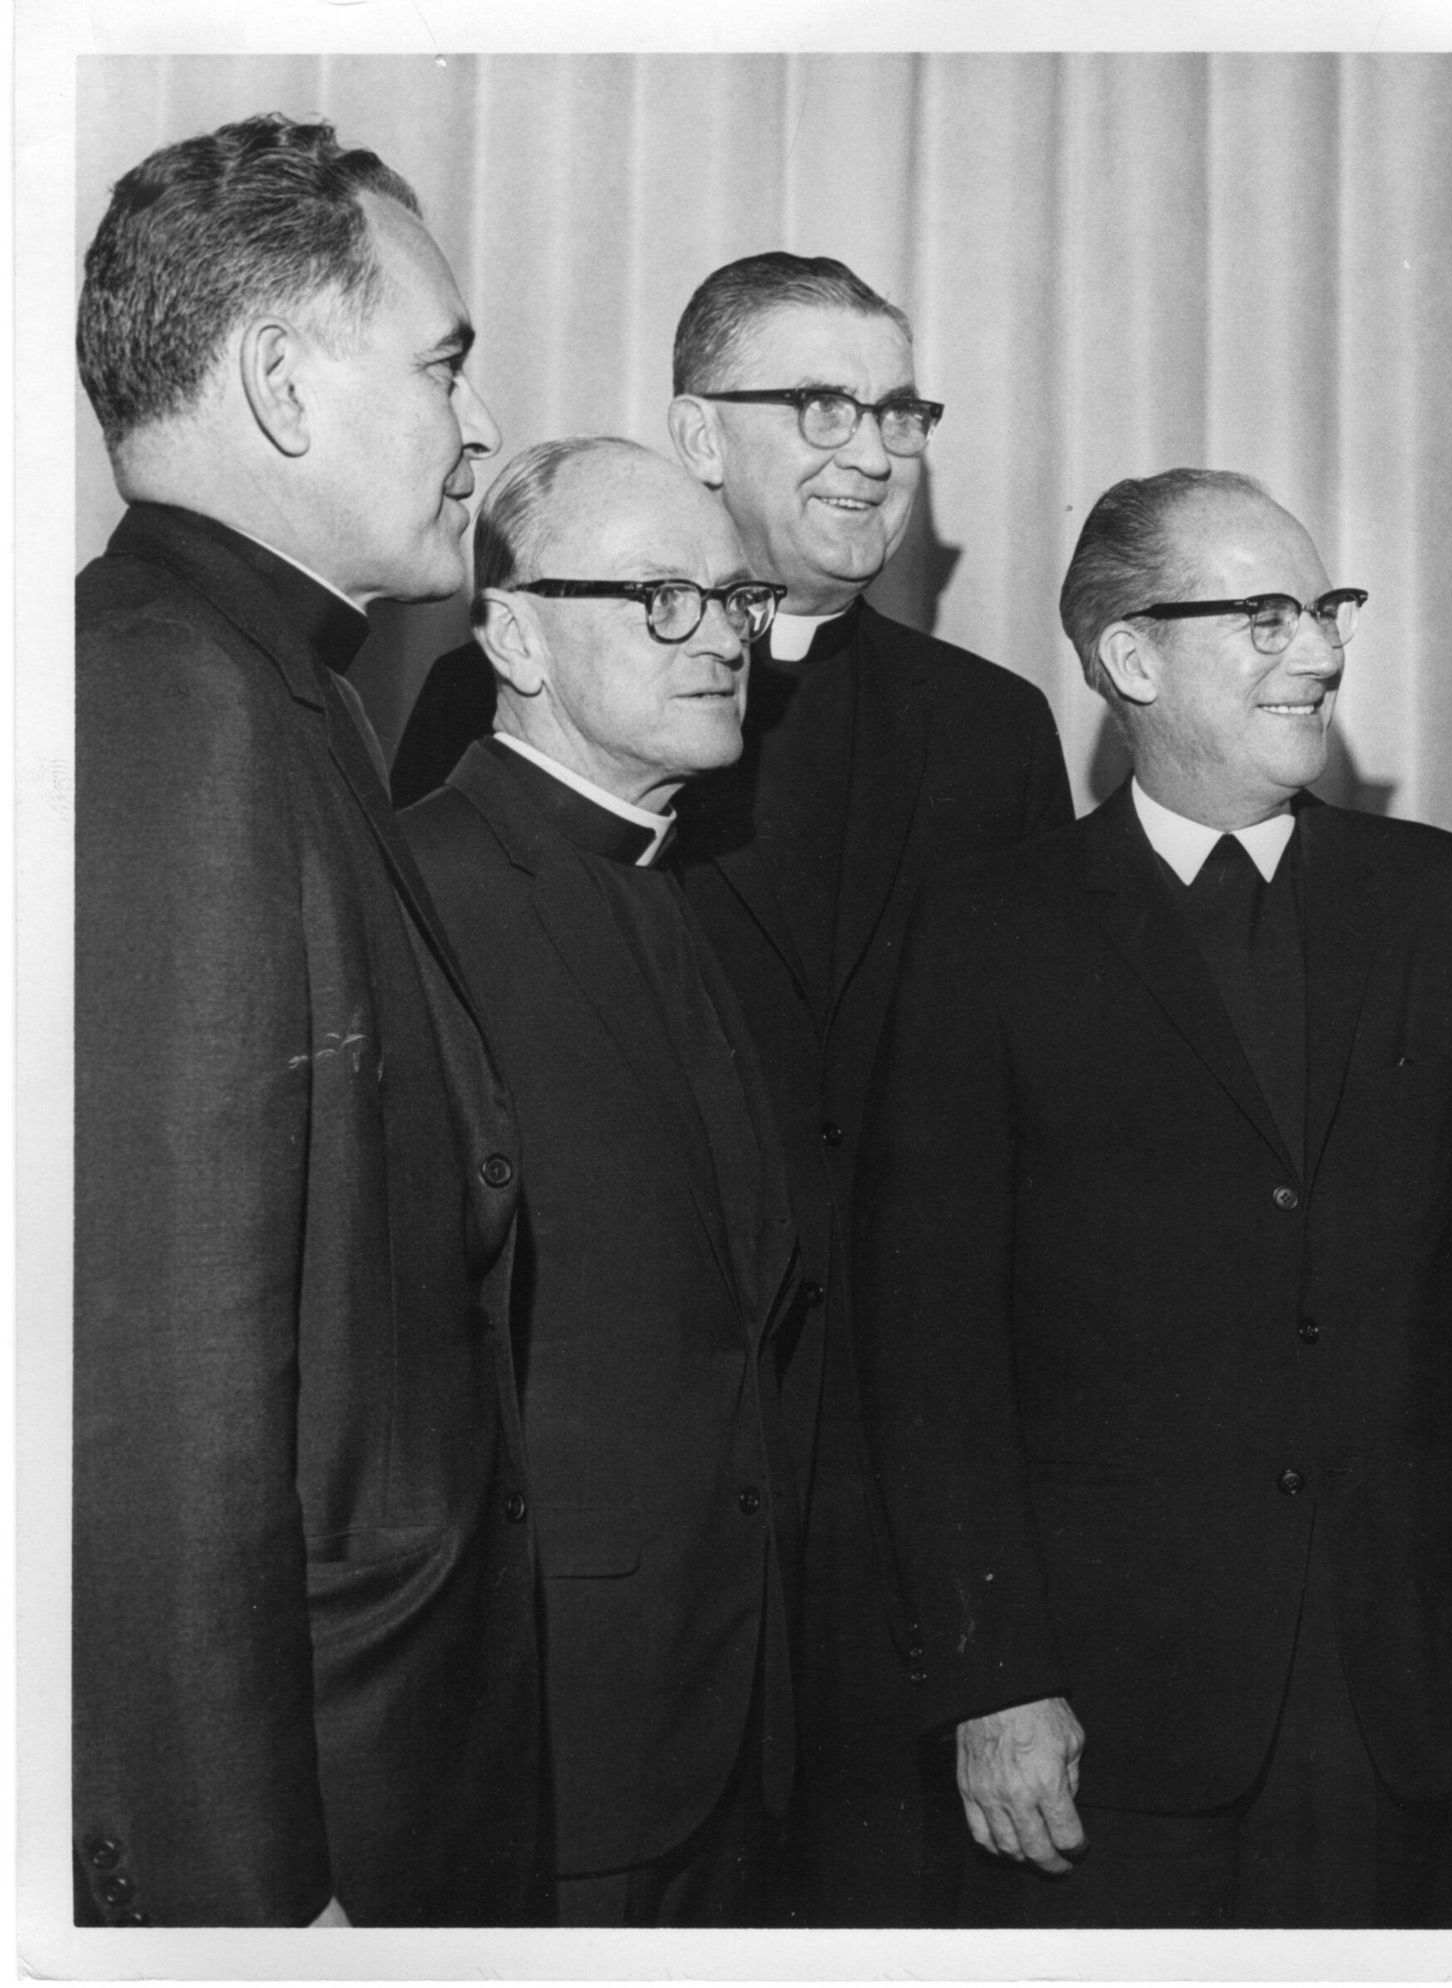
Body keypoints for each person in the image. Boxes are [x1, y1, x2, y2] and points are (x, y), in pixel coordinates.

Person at [395, 253, 1073, 1922]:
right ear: (698, 435)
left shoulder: (989, 728)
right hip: (631, 1558)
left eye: (898, 410)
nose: (873, 449)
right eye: (822, 404)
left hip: (896, 1503)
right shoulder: (530, 728)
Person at [854, 468, 1452, 1928]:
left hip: (1396, 1688)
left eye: (1327, 608)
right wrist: (993, 1679)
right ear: (1133, 657)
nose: (1322, 650)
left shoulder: (1449, 901)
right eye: (1267, 616)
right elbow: (931, 1347)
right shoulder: (985, 930)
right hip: (1107, 1710)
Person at [73, 113, 539, 1925]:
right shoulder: (171, 701)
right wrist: (249, 1908)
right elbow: (163, 1390)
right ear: (279, 383)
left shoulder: (286, 690)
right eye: (441, 367)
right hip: (317, 1826)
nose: (478, 429)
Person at [399, 438, 806, 1925]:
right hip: (548, 1740)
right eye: (658, 597)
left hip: (720, 1716)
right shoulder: (418, 894)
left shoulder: (674, 888)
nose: (720, 638)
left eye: (732, 597)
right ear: (514, 638)